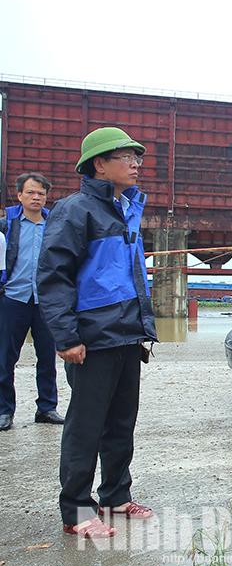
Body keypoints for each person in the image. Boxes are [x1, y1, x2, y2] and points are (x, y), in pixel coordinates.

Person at [38, 127, 158, 539]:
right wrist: (67, 337)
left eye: (136, 157)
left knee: (121, 421)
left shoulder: (127, 209)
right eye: (125, 157)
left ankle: (115, 496)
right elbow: (54, 277)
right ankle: (76, 509)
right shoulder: (75, 210)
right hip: (92, 337)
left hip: (126, 333)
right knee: (86, 425)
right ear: (99, 164)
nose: (136, 163)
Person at [0, 173, 62, 432]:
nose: (36, 197)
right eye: (31, 193)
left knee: (47, 357)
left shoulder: (55, 226)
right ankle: (4, 411)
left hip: (45, 301)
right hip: (14, 298)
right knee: (5, 358)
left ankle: (46, 407)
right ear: (20, 195)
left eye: (41, 194)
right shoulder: (8, 226)